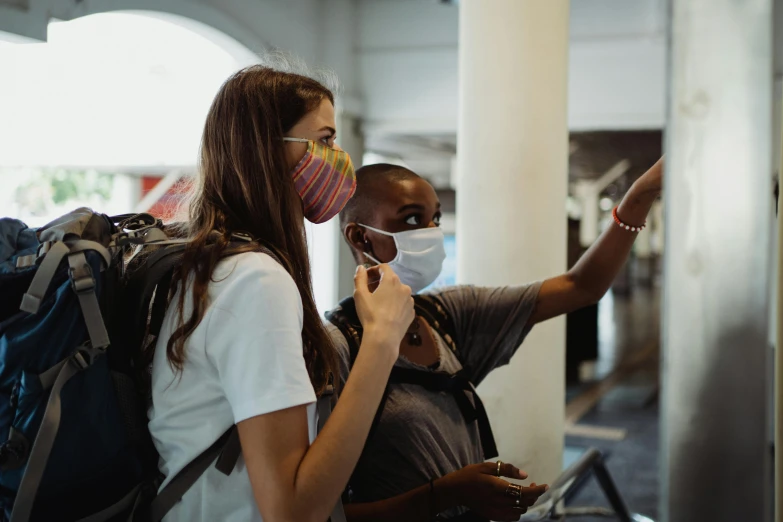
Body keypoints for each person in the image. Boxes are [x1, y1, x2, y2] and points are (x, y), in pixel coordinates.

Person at [147, 66, 415, 522]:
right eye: (326, 140)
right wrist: (382, 339)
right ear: (266, 151)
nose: (339, 158)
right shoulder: (254, 281)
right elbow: (291, 510)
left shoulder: (207, 265)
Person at [327, 159, 664, 521]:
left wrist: (637, 198)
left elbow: (580, 286)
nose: (430, 231)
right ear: (360, 236)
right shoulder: (336, 349)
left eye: (435, 219)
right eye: (412, 219)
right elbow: (319, 510)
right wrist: (446, 494)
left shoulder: (447, 314)